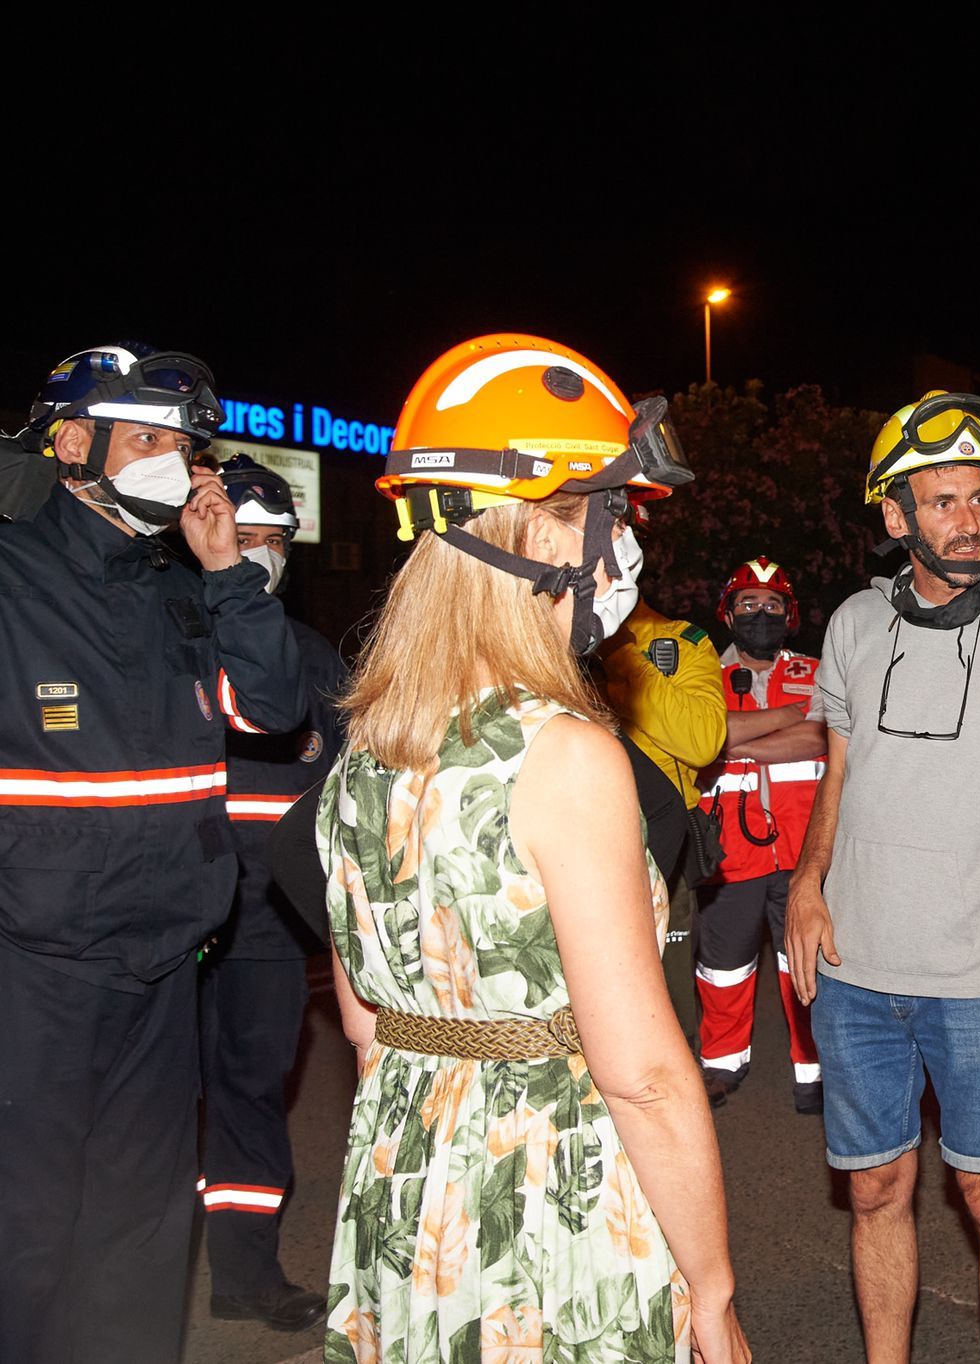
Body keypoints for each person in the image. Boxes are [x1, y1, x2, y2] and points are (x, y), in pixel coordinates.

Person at [315, 333, 747, 1363]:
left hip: (410, 1193)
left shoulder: (360, 753)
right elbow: (641, 1071)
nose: (623, 548)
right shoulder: (564, 759)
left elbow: (367, 1027)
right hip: (545, 1201)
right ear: (542, 535)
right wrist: (712, 1289)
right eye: (609, 517)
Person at [0, 343, 307, 1364]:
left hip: (166, 959)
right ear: (72, 442)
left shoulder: (177, 591)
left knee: (135, 1228)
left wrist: (226, 575)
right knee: (24, 1227)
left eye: (185, 445)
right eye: (149, 439)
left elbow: (270, 706)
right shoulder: (11, 576)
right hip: (30, 970)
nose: (177, 464)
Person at [786, 390, 980, 1364]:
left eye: (978, 499)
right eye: (941, 503)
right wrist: (805, 880)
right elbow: (837, 769)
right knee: (876, 1188)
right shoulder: (848, 626)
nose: (966, 521)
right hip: (855, 972)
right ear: (895, 516)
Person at [199, 454, 349, 1333]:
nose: (254, 556)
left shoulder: (314, 660)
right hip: (170, 911)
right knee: (152, 1101)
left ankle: (245, 1275)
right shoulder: (169, 636)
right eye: (238, 538)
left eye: (270, 542)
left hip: (265, 923)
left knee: (252, 1090)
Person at [696, 556, 827, 1111]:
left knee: (807, 963)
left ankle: (815, 1069)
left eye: (773, 605)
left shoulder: (820, 671)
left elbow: (820, 738)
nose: (761, 614)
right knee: (723, 967)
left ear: (789, 614)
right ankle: (722, 1064)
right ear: (730, 614)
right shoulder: (704, 678)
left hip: (806, 853)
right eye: (749, 604)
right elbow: (706, 733)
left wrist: (734, 742)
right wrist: (792, 715)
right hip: (729, 855)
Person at [596, 590, 728, 1048]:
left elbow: (703, 741)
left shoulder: (680, 640)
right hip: (578, 845)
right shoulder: (549, 639)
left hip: (661, 852)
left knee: (663, 1013)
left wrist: (618, 655)